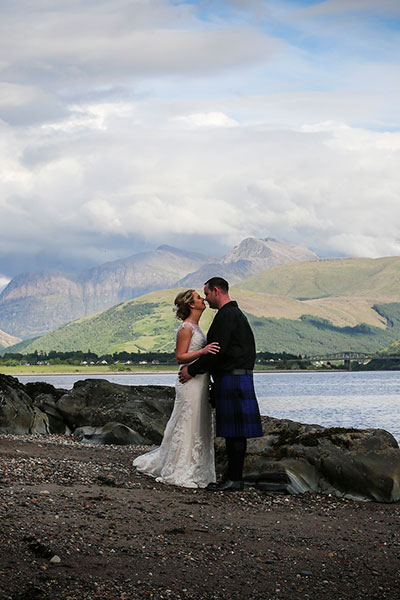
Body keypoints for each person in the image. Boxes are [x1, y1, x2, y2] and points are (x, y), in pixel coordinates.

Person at [179, 277, 263, 491]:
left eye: (206, 294)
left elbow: (217, 352)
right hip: (238, 377)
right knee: (236, 432)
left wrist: (192, 369)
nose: (206, 299)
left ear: (216, 290)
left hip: (232, 379)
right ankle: (235, 477)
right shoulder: (234, 314)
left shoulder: (226, 316)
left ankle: (234, 479)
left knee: (234, 432)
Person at [133, 289, 219, 488]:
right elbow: (180, 357)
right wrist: (204, 351)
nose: (203, 299)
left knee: (199, 421)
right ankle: (180, 469)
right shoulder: (186, 328)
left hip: (202, 381)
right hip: (189, 383)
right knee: (187, 421)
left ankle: (198, 468)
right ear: (191, 304)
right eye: (199, 297)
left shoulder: (197, 327)